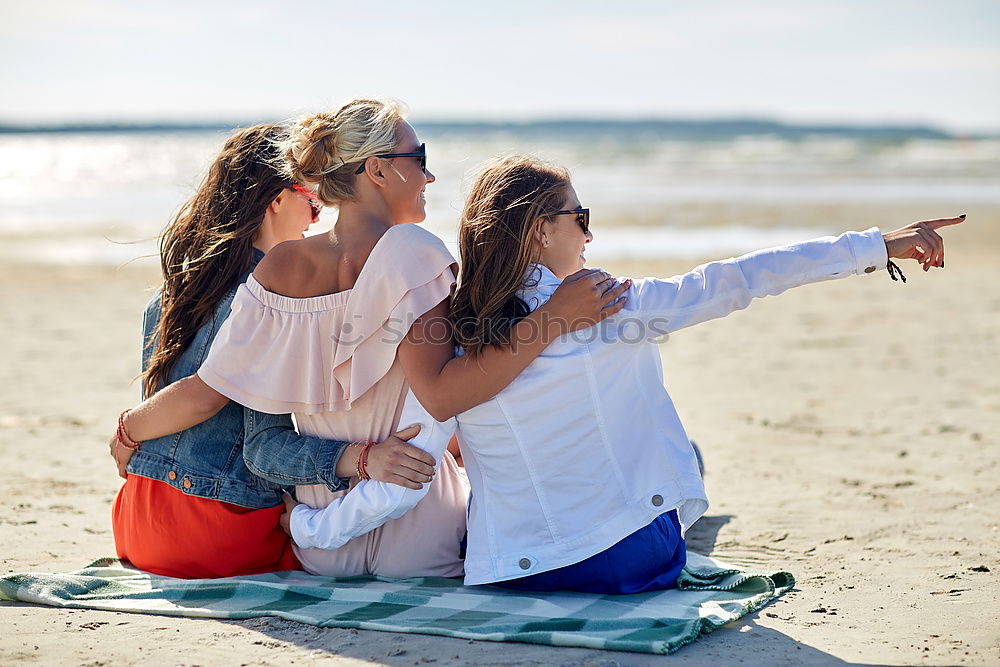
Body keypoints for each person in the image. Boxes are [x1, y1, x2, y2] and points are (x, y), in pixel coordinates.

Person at [283, 154, 964, 594]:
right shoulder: (612, 304)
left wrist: (313, 532)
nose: (590, 235)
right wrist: (878, 245)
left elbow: (418, 458)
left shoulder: (453, 330)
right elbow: (741, 279)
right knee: (678, 458)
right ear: (539, 232)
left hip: (510, 574)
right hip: (624, 562)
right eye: (580, 218)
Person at [112, 102, 630, 578]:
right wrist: (555, 317)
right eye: (419, 158)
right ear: (376, 169)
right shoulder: (415, 251)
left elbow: (259, 446)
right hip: (419, 528)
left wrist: (132, 427)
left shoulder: (281, 266)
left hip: (322, 545)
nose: (429, 175)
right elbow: (448, 396)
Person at [109, 123, 442, 579]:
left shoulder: (171, 296)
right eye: (310, 200)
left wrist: (129, 427)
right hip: (218, 534)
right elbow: (259, 444)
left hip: (136, 523)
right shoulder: (266, 303)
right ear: (275, 200)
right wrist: (363, 458)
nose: (316, 218)